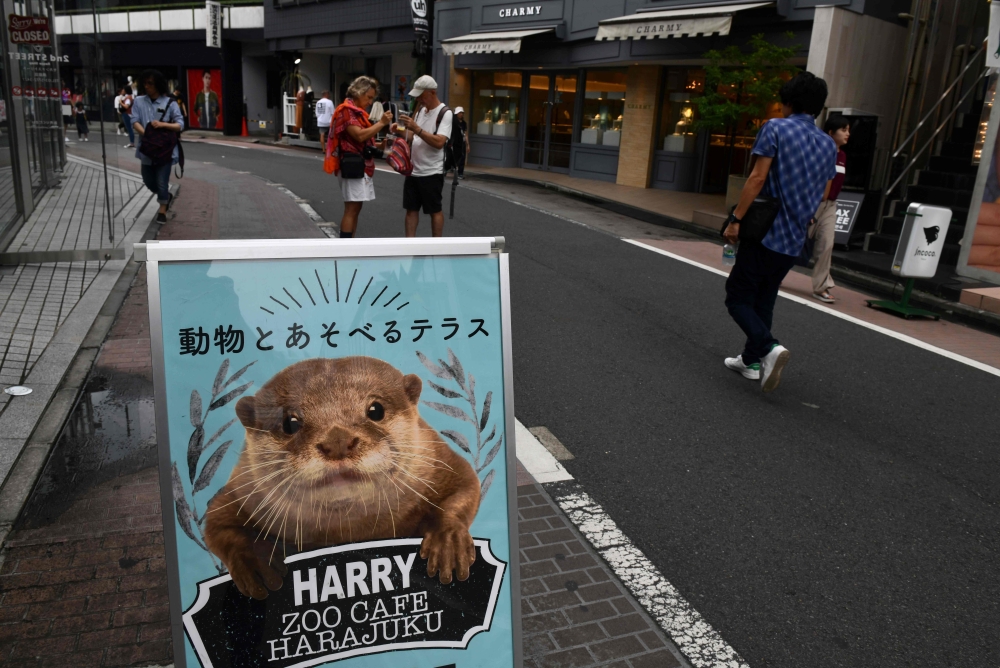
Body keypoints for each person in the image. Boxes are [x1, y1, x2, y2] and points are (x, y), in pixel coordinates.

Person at [721, 71, 836, 392]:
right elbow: (824, 192)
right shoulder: (828, 144)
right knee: (765, 297)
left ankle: (768, 347)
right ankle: (750, 361)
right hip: (794, 235)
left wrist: (736, 218)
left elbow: (757, 178)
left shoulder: (775, 128)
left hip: (763, 230)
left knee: (738, 297)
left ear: (788, 101)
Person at [330, 76, 392, 238]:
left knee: (355, 208)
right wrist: (381, 123)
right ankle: (345, 247)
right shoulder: (346, 111)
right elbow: (358, 136)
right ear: (358, 92)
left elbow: (363, 140)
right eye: (369, 97)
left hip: (358, 163)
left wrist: (379, 146)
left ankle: (351, 245)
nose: (370, 102)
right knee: (351, 209)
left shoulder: (356, 112)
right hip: (352, 165)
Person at [393, 75, 452, 237]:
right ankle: (410, 245)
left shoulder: (445, 113)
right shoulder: (419, 109)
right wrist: (398, 130)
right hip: (413, 169)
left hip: (432, 171)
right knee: (411, 210)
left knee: (435, 210)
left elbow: (440, 142)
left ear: (432, 92)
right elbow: (412, 137)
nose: (418, 98)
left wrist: (416, 128)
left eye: (421, 95)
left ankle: (436, 245)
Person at [132, 69, 184, 223]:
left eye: (151, 84)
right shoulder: (139, 101)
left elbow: (180, 124)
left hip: (164, 151)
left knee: (162, 181)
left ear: (158, 85)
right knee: (148, 181)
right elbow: (134, 121)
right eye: (145, 83)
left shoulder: (170, 103)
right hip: (146, 149)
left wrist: (162, 124)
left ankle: (162, 210)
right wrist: (147, 136)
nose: (147, 86)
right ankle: (165, 196)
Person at [810, 115, 850, 303]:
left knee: (826, 244)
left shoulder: (842, 156)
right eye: (844, 130)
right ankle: (769, 276)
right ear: (830, 132)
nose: (847, 134)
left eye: (848, 130)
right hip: (811, 202)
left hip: (830, 205)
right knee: (793, 242)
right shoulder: (817, 152)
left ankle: (821, 287)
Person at [453, 106, 469, 180]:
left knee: (462, 157)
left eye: (462, 113)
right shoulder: (453, 122)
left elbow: (465, 134)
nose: (461, 114)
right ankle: (449, 168)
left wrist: (467, 144)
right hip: (454, 142)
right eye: (460, 113)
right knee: (453, 157)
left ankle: (460, 173)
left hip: (462, 143)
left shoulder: (464, 123)